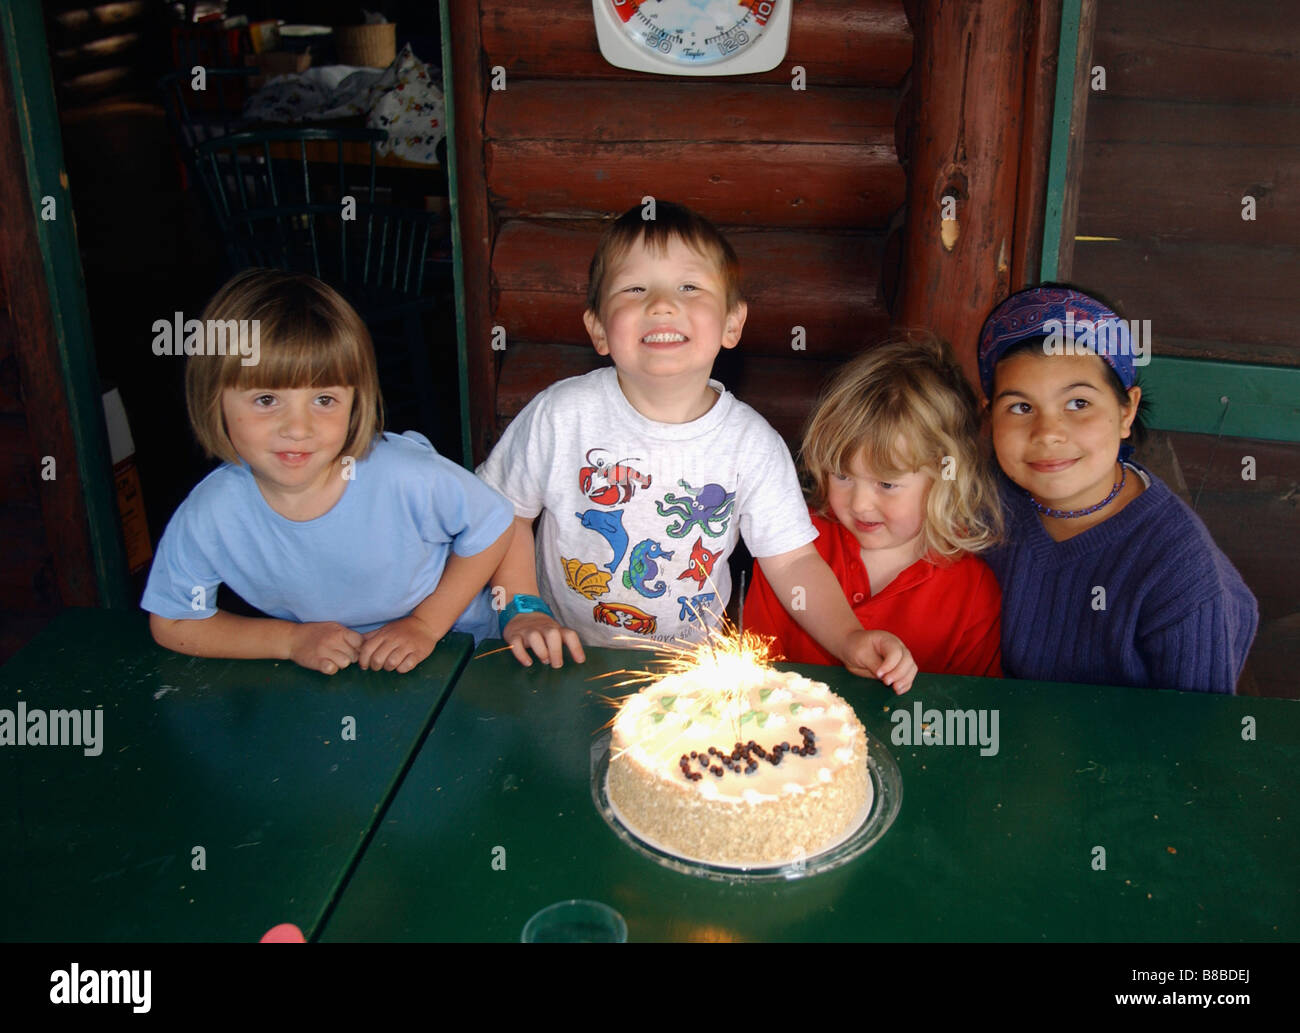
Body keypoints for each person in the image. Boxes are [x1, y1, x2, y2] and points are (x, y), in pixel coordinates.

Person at [477, 201, 917, 692]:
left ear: (733, 323)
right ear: (599, 328)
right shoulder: (560, 417)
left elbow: (793, 562)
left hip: (689, 683)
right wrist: (521, 608)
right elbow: (502, 512)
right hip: (558, 661)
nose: (662, 303)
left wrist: (850, 638)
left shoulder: (751, 445)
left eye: (689, 286)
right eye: (635, 287)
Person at [143, 269, 514, 675]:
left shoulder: (402, 474)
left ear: (356, 402)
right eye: (266, 399)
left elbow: (493, 524)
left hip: (464, 656)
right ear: (214, 399)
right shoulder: (212, 512)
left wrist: (425, 624)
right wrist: (289, 640)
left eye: (324, 399)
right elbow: (174, 621)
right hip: (335, 673)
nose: (298, 429)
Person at [979, 285, 1257, 692]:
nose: (1048, 434)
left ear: (1126, 411)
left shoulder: (1180, 568)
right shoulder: (978, 504)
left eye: (1078, 403)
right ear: (990, 417)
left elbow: (1197, 739)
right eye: (1020, 408)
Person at [744, 334, 1003, 675]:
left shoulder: (972, 592)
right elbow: (753, 677)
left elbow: (972, 710)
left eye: (886, 483)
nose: (861, 504)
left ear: (945, 475)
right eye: (842, 476)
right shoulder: (790, 546)